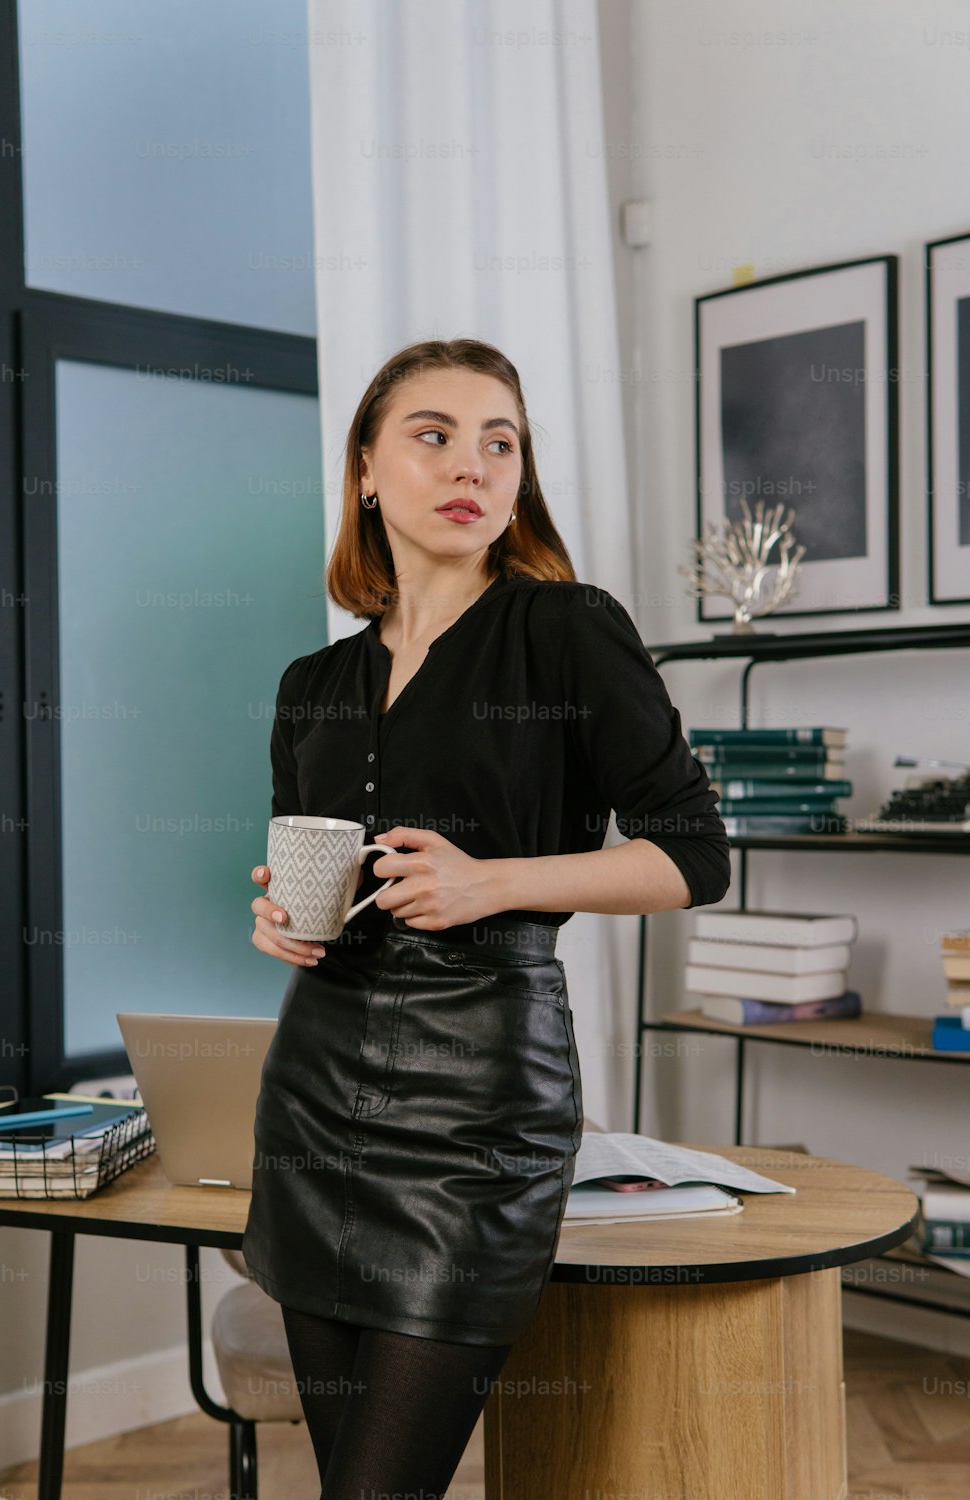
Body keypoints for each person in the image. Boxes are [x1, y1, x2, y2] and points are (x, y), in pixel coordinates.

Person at [240, 336, 731, 1498]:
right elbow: (308, 867)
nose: (473, 464)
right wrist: (275, 918)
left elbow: (693, 855)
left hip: (478, 1110)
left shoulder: (565, 628)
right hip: (313, 1095)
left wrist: (490, 881)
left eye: (498, 442)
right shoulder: (312, 684)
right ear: (365, 468)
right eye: (434, 434)